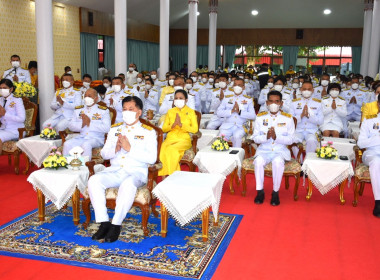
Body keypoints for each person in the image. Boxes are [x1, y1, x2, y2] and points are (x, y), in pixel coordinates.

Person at [88, 96, 157, 242]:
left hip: (136, 172)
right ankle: (104, 222)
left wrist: (129, 148)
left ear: (139, 112)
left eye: (131, 109)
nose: (127, 112)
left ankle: (116, 224)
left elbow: (152, 158)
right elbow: (104, 154)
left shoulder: (148, 131)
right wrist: (116, 148)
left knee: (128, 185)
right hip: (116, 171)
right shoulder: (115, 129)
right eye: (124, 109)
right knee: (94, 180)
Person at [252, 91, 295, 206]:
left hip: (280, 150)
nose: (273, 104)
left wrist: (277, 137)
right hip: (264, 149)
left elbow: (291, 140)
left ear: (281, 103)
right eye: (271, 101)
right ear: (266, 103)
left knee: (277, 162)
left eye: (276, 101)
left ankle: (275, 192)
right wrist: (266, 137)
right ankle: (260, 191)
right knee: (258, 161)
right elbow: (255, 138)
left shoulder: (288, 118)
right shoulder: (260, 117)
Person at [158, 89, 198, 178]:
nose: (178, 100)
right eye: (176, 98)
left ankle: (172, 176)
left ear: (186, 100)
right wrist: (173, 125)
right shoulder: (170, 111)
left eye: (181, 98)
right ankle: (166, 174)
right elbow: (164, 129)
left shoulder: (191, 112)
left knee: (172, 150)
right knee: (162, 148)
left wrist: (181, 125)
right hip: (171, 137)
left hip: (184, 139)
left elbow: (195, 129)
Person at [63, 88, 111, 159]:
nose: (86, 98)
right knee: (67, 144)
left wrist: (89, 123)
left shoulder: (103, 111)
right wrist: (82, 124)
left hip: (96, 138)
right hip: (82, 137)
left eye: (89, 96)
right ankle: (67, 164)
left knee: (86, 144)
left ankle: (85, 167)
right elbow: (70, 125)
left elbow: (107, 128)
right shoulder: (79, 110)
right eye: (85, 96)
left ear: (96, 98)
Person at [357, 94, 380, 217]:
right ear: (378, 104)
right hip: (372, 153)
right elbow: (361, 143)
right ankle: (378, 202)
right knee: (376, 162)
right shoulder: (369, 120)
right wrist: (377, 138)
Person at [217, 78, 256, 147]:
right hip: (227, 126)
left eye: (239, 85)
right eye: (235, 85)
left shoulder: (248, 99)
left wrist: (239, 112)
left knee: (237, 137)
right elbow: (219, 112)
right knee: (221, 138)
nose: (237, 87)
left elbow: (253, 116)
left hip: (240, 127)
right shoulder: (227, 98)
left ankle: (236, 155)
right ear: (232, 86)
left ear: (243, 87)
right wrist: (231, 111)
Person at [289, 81, 323, 155]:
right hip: (298, 130)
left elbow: (320, 121)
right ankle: (299, 162)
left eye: (309, 89)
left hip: (311, 130)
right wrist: (300, 116)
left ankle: (308, 161)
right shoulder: (294, 103)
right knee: (294, 140)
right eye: (304, 89)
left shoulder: (318, 103)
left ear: (313, 90)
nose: (306, 91)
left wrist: (309, 117)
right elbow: (290, 120)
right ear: (300, 90)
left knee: (312, 140)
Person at [0, 78, 26, 154]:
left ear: (11, 89)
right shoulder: (0, 100)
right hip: (3, 128)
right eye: (0, 88)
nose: (2, 90)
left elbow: (22, 118)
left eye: (4, 88)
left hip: (15, 130)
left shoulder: (17, 100)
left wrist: (5, 114)